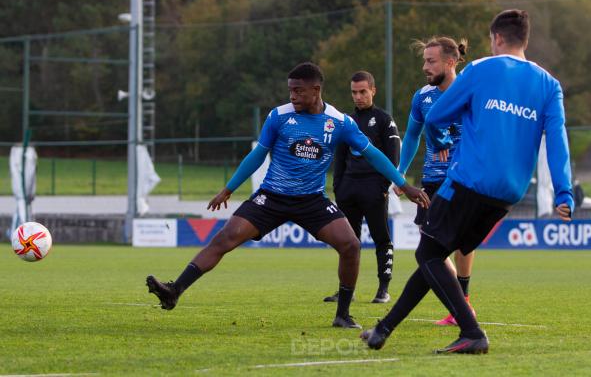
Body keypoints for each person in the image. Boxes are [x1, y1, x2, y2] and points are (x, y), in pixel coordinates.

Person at [146, 62, 429, 330]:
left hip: (312, 201)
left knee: (351, 245)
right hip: (272, 197)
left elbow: (374, 155)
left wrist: (404, 185)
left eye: (298, 90)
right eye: (290, 89)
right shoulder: (279, 116)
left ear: (316, 91)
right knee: (224, 238)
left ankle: (342, 315)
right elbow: (258, 155)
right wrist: (229, 188)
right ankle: (174, 290)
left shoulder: (339, 122)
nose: (292, 95)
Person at [362, 9, 574, 354]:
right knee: (435, 255)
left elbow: (436, 117)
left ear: (498, 38)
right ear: (525, 39)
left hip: (470, 180)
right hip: (509, 193)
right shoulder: (549, 85)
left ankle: (472, 332)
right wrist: (564, 192)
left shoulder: (480, 69)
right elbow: (558, 141)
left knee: (428, 253)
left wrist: (443, 141)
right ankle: (383, 330)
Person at [394, 36, 477, 326]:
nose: (425, 67)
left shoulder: (470, 93)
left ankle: (462, 303)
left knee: (461, 242)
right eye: (424, 61)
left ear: (451, 62)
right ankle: (460, 306)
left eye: (431, 61)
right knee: (429, 246)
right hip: (430, 181)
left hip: (462, 178)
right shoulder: (422, 97)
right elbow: (412, 136)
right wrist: (400, 172)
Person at [325, 71, 400, 304]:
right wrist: (338, 186)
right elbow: (340, 157)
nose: (358, 97)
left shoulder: (384, 119)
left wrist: (382, 184)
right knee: (348, 242)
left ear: (373, 91)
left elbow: (393, 157)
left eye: (363, 92)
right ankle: (346, 290)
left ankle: (383, 289)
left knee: (381, 238)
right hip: (348, 189)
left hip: (374, 189)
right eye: (354, 92)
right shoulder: (346, 121)